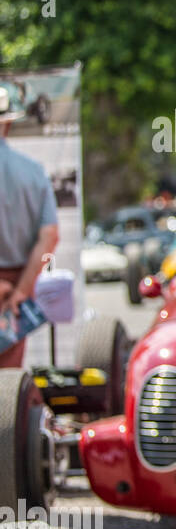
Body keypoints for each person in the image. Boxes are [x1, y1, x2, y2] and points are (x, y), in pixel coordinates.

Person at [0, 83, 59, 368]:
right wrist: (21, 290)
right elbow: (49, 237)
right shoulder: (32, 172)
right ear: (9, 123)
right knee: (7, 389)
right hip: (13, 289)